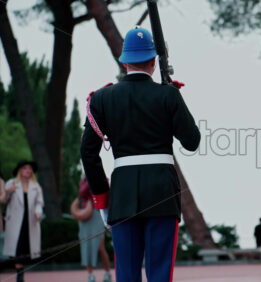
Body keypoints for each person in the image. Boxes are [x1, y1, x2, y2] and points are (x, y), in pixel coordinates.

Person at [81, 26, 200, 282]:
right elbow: (192, 141)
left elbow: (88, 154)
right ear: (155, 62)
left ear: (124, 62)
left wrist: (102, 200)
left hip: (122, 195)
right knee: (159, 272)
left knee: (126, 273)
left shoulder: (101, 98)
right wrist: (174, 97)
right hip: (162, 192)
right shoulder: (168, 95)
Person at [0, 160, 44, 282]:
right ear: (20, 170)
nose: (28, 170)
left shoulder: (36, 186)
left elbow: (39, 203)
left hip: (30, 223)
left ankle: (20, 275)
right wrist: (8, 191)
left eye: (29, 168)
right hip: (15, 223)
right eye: (25, 168)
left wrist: (38, 212)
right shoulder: (11, 183)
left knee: (25, 250)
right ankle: (20, 277)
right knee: (17, 250)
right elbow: (3, 201)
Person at [71, 178, 112, 282]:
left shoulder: (98, 177)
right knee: (86, 246)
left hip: (97, 213)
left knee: (100, 246)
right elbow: (82, 193)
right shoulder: (83, 179)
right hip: (85, 214)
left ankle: (107, 272)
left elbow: (85, 191)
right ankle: (90, 275)